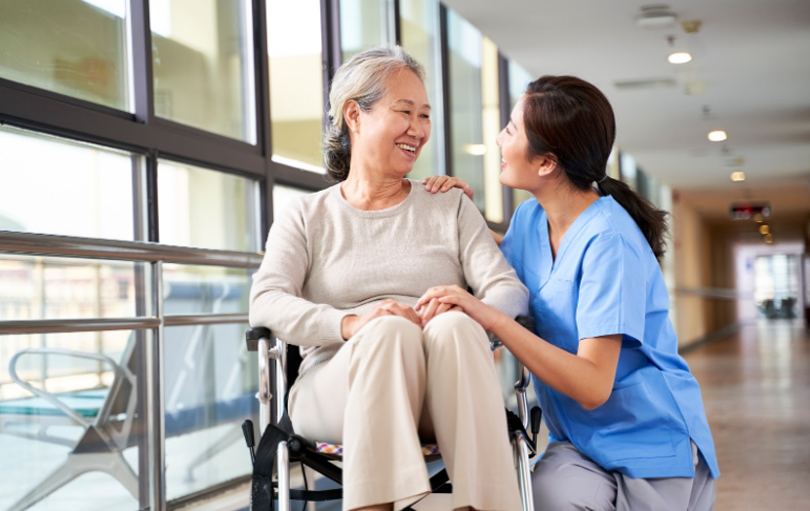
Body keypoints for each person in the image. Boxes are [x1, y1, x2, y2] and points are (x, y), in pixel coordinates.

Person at [419, 75, 719, 511]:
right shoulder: (528, 220)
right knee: (546, 496)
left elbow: (593, 383)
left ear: (546, 163)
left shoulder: (609, 241)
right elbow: (498, 260)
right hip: (580, 443)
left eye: (511, 129)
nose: (500, 139)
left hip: (651, 443)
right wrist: (460, 212)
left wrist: (490, 316)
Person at [249, 46, 528, 511]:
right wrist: (354, 324)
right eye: (404, 112)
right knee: (388, 330)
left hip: (442, 391)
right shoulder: (307, 215)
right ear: (355, 116)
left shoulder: (449, 205)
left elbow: (508, 290)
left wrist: (470, 306)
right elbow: (267, 301)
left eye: (424, 115)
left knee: (457, 324)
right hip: (338, 388)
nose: (418, 130)